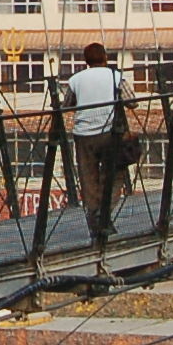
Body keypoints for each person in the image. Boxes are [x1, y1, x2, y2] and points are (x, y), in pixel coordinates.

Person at [61, 42, 134, 243]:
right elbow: (132, 101)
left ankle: (94, 221)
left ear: (86, 61)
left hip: (83, 134)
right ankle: (105, 215)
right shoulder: (115, 76)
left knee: (88, 178)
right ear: (105, 57)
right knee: (115, 174)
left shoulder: (75, 79)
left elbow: (67, 105)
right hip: (110, 133)